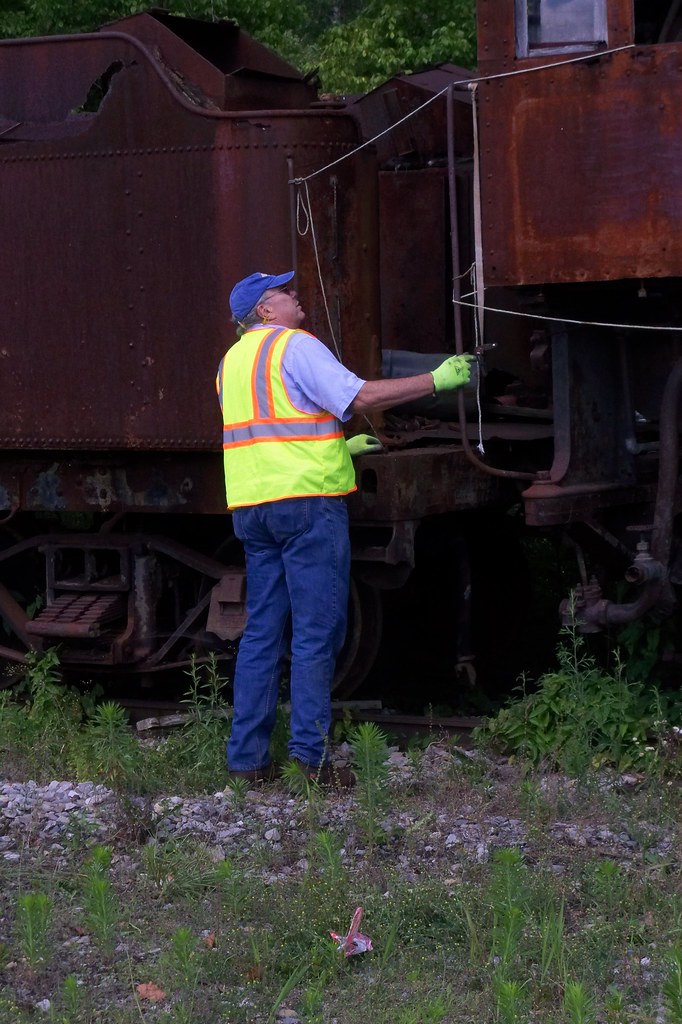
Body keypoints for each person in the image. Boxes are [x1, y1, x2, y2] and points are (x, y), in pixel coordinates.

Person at [216, 270, 473, 786]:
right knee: (316, 633)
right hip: (308, 507)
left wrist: (338, 446)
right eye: (286, 292)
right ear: (266, 310)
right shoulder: (295, 346)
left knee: (262, 634)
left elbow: (272, 431)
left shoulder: (230, 364)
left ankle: (247, 762)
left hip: (253, 509)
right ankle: (310, 762)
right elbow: (358, 399)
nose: (296, 297)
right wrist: (435, 381)